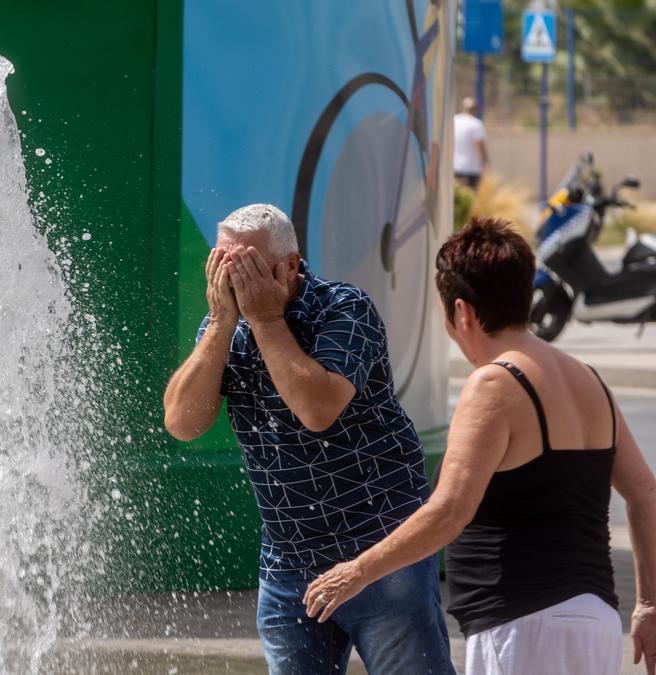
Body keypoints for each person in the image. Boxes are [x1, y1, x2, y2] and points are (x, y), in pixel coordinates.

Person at [304, 216, 656, 675]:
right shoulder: (589, 380)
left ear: (463, 312)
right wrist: (647, 602)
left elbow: (449, 511)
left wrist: (357, 572)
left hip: (524, 626)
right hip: (595, 621)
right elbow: (645, 493)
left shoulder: (494, 384)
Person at [163, 204, 453, 674]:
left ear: (291, 265)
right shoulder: (226, 327)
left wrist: (267, 321)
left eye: (252, 267)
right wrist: (220, 323)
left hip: (379, 552)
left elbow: (318, 409)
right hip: (289, 559)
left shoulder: (344, 308)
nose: (239, 281)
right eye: (225, 265)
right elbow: (182, 423)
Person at [454, 96, 490, 189]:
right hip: (472, 169)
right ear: (475, 110)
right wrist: (485, 164)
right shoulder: (476, 124)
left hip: (455, 167)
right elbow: (480, 146)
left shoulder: (454, 121)